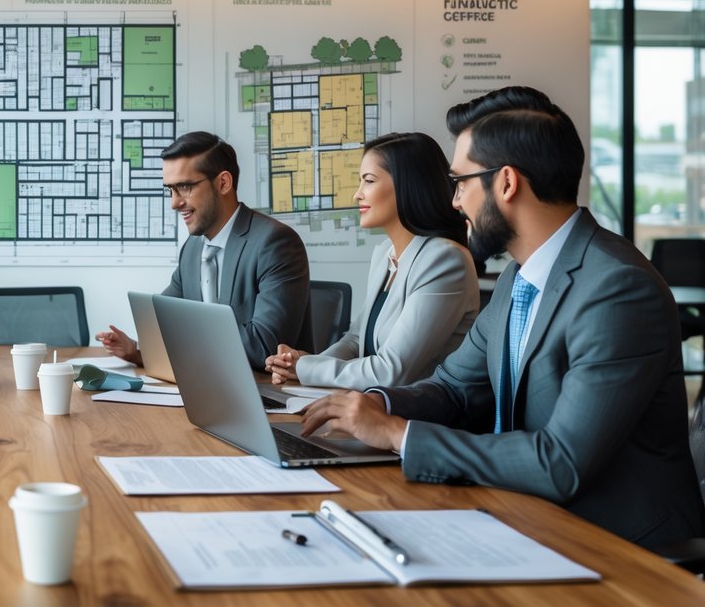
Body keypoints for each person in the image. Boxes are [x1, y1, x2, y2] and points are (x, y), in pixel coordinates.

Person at [300, 87, 705, 548]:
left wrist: (398, 434)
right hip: (525, 517)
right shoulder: (519, 276)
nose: (454, 202)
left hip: (619, 547)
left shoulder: (617, 289)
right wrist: (376, 406)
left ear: (506, 183)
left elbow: (561, 462)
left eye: (462, 183)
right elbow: (454, 388)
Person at [265, 132, 479, 389]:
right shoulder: (384, 253)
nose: (357, 194)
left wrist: (307, 368)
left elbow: (392, 371)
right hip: (372, 406)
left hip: (416, 418)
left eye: (368, 181)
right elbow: (355, 340)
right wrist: (298, 367)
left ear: (406, 185)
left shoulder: (444, 260)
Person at [96, 131, 313, 370]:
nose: (174, 203)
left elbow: (263, 347)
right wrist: (138, 350)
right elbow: (164, 320)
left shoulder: (275, 243)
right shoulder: (193, 249)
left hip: (267, 394)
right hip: (209, 384)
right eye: (170, 189)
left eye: (185, 187)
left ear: (223, 183)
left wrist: (186, 333)